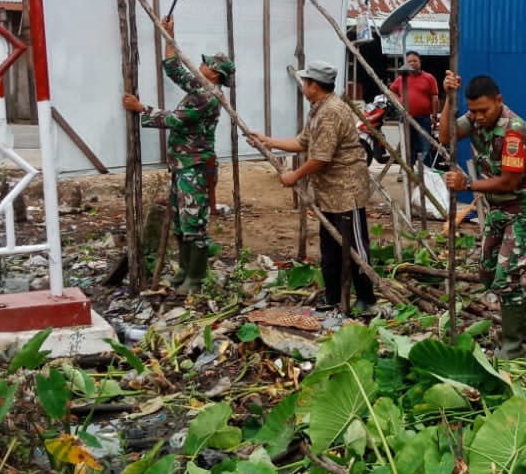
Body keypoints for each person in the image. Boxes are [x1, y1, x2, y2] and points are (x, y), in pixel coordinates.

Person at [252, 61, 377, 314]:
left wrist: (294, 176)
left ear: (314, 85)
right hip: (330, 194)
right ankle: (332, 297)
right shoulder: (318, 109)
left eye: (306, 82)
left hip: (346, 192)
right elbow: (303, 142)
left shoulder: (331, 111)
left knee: (355, 247)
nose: (303, 86)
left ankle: (366, 298)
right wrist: (268, 141)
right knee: (329, 247)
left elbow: (321, 158)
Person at [121, 19, 233, 295]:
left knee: (194, 223)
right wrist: (169, 37)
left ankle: (195, 279)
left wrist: (140, 109)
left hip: (195, 166)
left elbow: (174, 119)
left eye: (206, 64)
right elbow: (174, 69)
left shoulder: (207, 96)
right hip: (183, 166)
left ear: (215, 74)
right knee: (183, 223)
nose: (201, 65)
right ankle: (185, 271)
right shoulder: (199, 88)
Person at [440, 71, 526, 358]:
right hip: (498, 208)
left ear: (499, 100)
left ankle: (513, 347)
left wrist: (468, 184)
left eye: (484, 110)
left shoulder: (514, 130)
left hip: (524, 208)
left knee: (507, 277)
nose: (478, 116)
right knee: (487, 273)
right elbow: (446, 135)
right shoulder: (475, 119)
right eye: (473, 110)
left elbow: (509, 181)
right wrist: (450, 100)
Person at [391, 51, 440, 168]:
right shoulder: (401, 78)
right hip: (406, 118)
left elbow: (435, 98)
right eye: (409, 61)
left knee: (425, 146)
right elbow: (391, 90)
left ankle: (427, 173)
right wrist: (399, 102)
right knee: (408, 146)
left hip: (423, 118)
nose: (412, 63)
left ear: (420, 62)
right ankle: (408, 171)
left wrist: (434, 116)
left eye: (415, 61)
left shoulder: (429, 78)